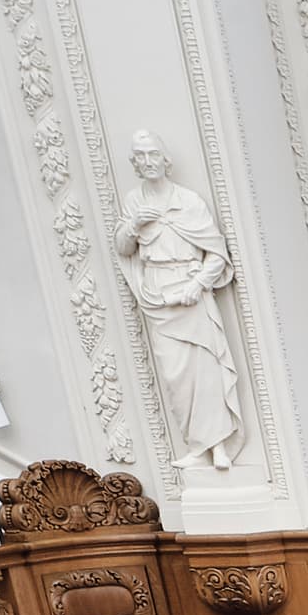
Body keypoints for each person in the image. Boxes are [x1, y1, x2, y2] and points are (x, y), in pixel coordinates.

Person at [118, 133, 245, 471]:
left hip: (190, 293)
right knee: (176, 377)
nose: (147, 161)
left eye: (153, 154)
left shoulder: (188, 201)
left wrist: (197, 285)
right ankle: (196, 444)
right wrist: (133, 226)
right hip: (158, 297)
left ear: (165, 159)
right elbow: (123, 249)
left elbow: (215, 253)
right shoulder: (134, 202)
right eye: (140, 156)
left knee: (205, 370)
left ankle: (218, 444)